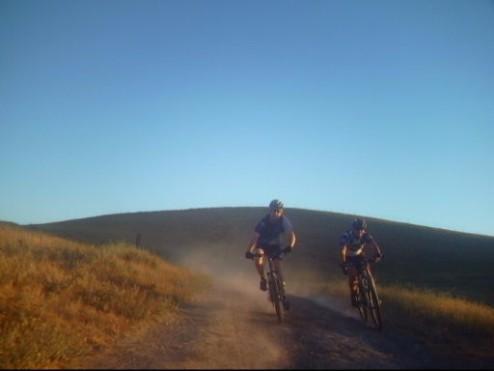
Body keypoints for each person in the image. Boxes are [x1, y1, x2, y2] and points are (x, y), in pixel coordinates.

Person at [245, 199, 296, 297]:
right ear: (270, 210)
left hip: (276, 247)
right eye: (274, 210)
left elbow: (291, 235)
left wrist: (290, 246)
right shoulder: (264, 221)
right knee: (258, 256)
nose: (275, 213)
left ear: (281, 212)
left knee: (277, 265)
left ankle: (283, 292)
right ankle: (263, 279)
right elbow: (255, 237)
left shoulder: (283, 220)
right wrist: (249, 251)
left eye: (278, 211)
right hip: (263, 246)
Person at [339, 218, 383, 307]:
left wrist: (378, 253)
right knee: (353, 276)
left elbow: (374, 245)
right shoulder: (346, 235)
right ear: (353, 228)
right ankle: (354, 295)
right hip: (348, 257)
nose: (359, 231)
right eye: (357, 229)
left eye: (362, 229)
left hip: (359, 255)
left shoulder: (366, 235)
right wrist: (344, 264)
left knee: (368, 272)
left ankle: (375, 297)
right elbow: (342, 251)